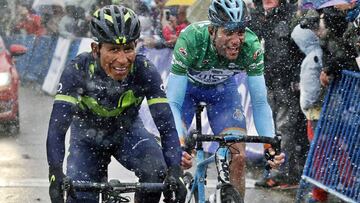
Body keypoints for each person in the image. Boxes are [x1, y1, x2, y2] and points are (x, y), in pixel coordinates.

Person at [46, 5, 187, 203]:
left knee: (156, 173)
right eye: (113, 49)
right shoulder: (78, 69)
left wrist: (175, 170)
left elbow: (166, 125)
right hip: (87, 139)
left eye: (128, 49)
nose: (122, 60)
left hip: (128, 132)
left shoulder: (144, 70)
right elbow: (57, 128)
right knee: (80, 196)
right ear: (96, 49)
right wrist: (55, 173)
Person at [166, 0, 285, 197]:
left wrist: (269, 145)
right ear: (213, 31)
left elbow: (260, 102)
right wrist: (177, 143)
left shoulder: (251, 46)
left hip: (222, 94)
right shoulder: (191, 38)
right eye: (228, 32)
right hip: (186, 92)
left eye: (240, 31)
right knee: (172, 155)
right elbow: (173, 102)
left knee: (237, 157)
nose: (236, 40)